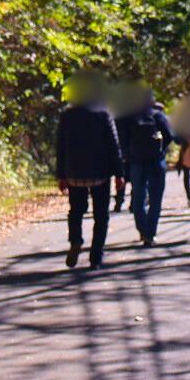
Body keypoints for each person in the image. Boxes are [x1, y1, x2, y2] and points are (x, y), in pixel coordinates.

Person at [55, 81, 123, 270]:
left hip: (75, 172)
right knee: (101, 216)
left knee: (76, 211)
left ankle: (75, 240)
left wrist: (61, 175)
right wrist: (119, 174)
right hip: (100, 172)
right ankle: (96, 257)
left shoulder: (67, 116)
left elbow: (60, 146)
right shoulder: (103, 115)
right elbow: (113, 145)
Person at [122, 92, 174, 246]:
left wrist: (129, 155)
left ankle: (142, 230)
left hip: (137, 162)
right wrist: (161, 150)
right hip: (156, 162)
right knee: (155, 198)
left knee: (138, 197)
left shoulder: (129, 118)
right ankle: (151, 233)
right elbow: (170, 135)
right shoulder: (158, 116)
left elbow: (123, 140)